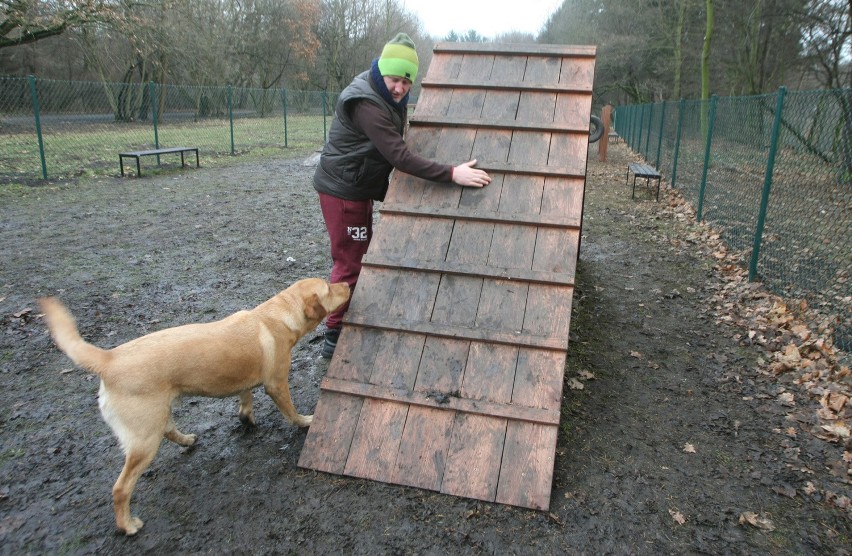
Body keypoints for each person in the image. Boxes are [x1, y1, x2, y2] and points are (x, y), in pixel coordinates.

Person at [313, 32, 491, 359]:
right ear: (381, 71)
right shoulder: (367, 104)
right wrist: (453, 173)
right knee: (350, 260)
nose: (400, 89)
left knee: (358, 253)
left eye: (407, 83)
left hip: (356, 186)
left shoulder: (383, 94)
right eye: (395, 80)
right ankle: (334, 333)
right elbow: (401, 157)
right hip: (343, 191)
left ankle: (341, 319)